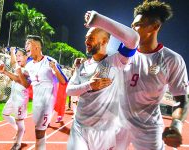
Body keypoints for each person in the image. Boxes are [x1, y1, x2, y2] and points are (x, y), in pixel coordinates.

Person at [115, 1, 189, 149]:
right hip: (118, 123)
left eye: (138, 25)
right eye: (132, 25)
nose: (132, 29)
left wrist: (175, 126)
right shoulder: (123, 55)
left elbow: (181, 98)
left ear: (155, 27)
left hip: (148, 128)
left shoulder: (171, 59)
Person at [66, 10, 139, 150]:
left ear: (104, 41)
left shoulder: (117, 61)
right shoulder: (82, 65)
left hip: (104, 131)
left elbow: (133, 39)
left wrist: (99, 20)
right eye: (86, 38)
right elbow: (69, 90)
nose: (86, 42)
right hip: (79, 127)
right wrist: (89, 85)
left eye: (91, 38)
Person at [24, 35, 67, 150]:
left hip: (47, 102)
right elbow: (26, 83)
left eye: (28, 43)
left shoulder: (50, 61)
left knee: (39, 132)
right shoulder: (28, 65)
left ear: (37, 46)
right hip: (36, 102)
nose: (25, 46)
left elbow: (63, 81)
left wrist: (55, 70)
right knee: (37, 130)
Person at [0, 47, 30, 150]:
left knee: (19, 121)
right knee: (5, 114)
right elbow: (13, 63)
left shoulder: (28, 68)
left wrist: (4, 72)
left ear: (26, 57)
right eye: (17, 55)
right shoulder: (18, 66)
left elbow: (18, 79)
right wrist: (12, 52)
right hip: (13, 97)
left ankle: (17, 143)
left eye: (20, 55)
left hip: (21, 99)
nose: (18, 57)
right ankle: (20, 130)